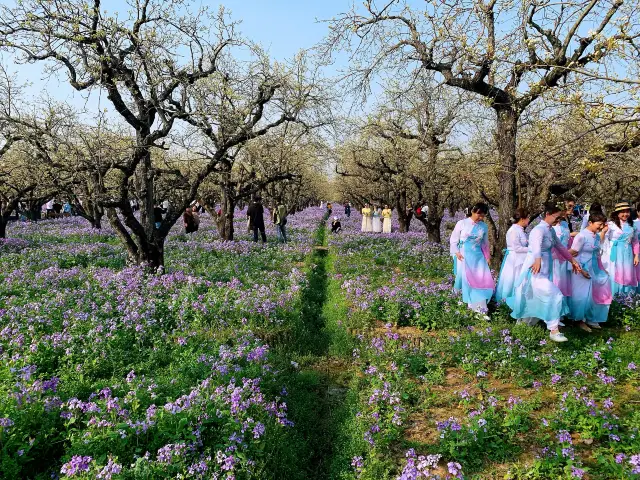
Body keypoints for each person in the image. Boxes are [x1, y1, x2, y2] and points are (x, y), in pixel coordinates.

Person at [509, 203, 584, 343]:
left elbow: (560, 247)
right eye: (556, 217)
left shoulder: (550, 231)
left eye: (560, 218)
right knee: (554, 294)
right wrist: (537, 260)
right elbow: (535, 246)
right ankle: (554, 330)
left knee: (534, 297)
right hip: (535, 269)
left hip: (545, 270)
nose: (558, 220)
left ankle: (523, 326)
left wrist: (572, 260)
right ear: (547, 214)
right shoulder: (538, 230)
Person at [568, 212, 612, 332]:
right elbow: (572, 254)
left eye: (603, 224)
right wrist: (581, 270)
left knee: (592, 294)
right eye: (599, 224)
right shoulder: (581, 236)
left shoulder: (597, 236)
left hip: (592, 268)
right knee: (581, 295)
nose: (601, 227)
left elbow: (597, 255)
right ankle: (578, 320)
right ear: (590, 223)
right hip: (580, 269)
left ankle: (590, 317)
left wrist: (602, 269)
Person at [449, 202, 494, 313]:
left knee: (480, 279)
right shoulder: (462, 223)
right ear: (473, 211)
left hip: (478, 257)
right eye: (479, 214)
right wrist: (456, 252)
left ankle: (478, 305)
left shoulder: (483, 226)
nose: (481, 217)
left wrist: (487, 257)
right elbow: (454, 239)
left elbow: (485, 243)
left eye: (483, 215)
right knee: (465, 278)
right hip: (464, 255)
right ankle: (464, 302)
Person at [602, 202, 639, 296]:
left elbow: (635, 241)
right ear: (617, 213)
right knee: (615, 272)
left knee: (627, 272)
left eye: (627, 212)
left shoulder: (632, 225)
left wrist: (636, 256)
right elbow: (604, 238)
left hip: (627, 253)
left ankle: (627, 296)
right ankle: (615, 296)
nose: (625, 214)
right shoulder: (611, 225)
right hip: (614, 252)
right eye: (622, 212)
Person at [495, 208, 529, 306]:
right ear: (522, 219)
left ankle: (517, 303)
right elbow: (517, 248)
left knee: (518, 280)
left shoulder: (520, 230)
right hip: (514, 259)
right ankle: (507, 304)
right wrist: (531, 249)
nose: (528, 220)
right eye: (527, 218)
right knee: (511, 280)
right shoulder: (514, 230)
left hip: (520, 258)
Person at [552, 208, 573, 306]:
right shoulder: (551, 227)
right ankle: (555, 307)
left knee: (564, 281)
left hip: (565, 256)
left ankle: (563, 308)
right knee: (557, 280)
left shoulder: (565, 224)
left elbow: (567, 240)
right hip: (555, 258)